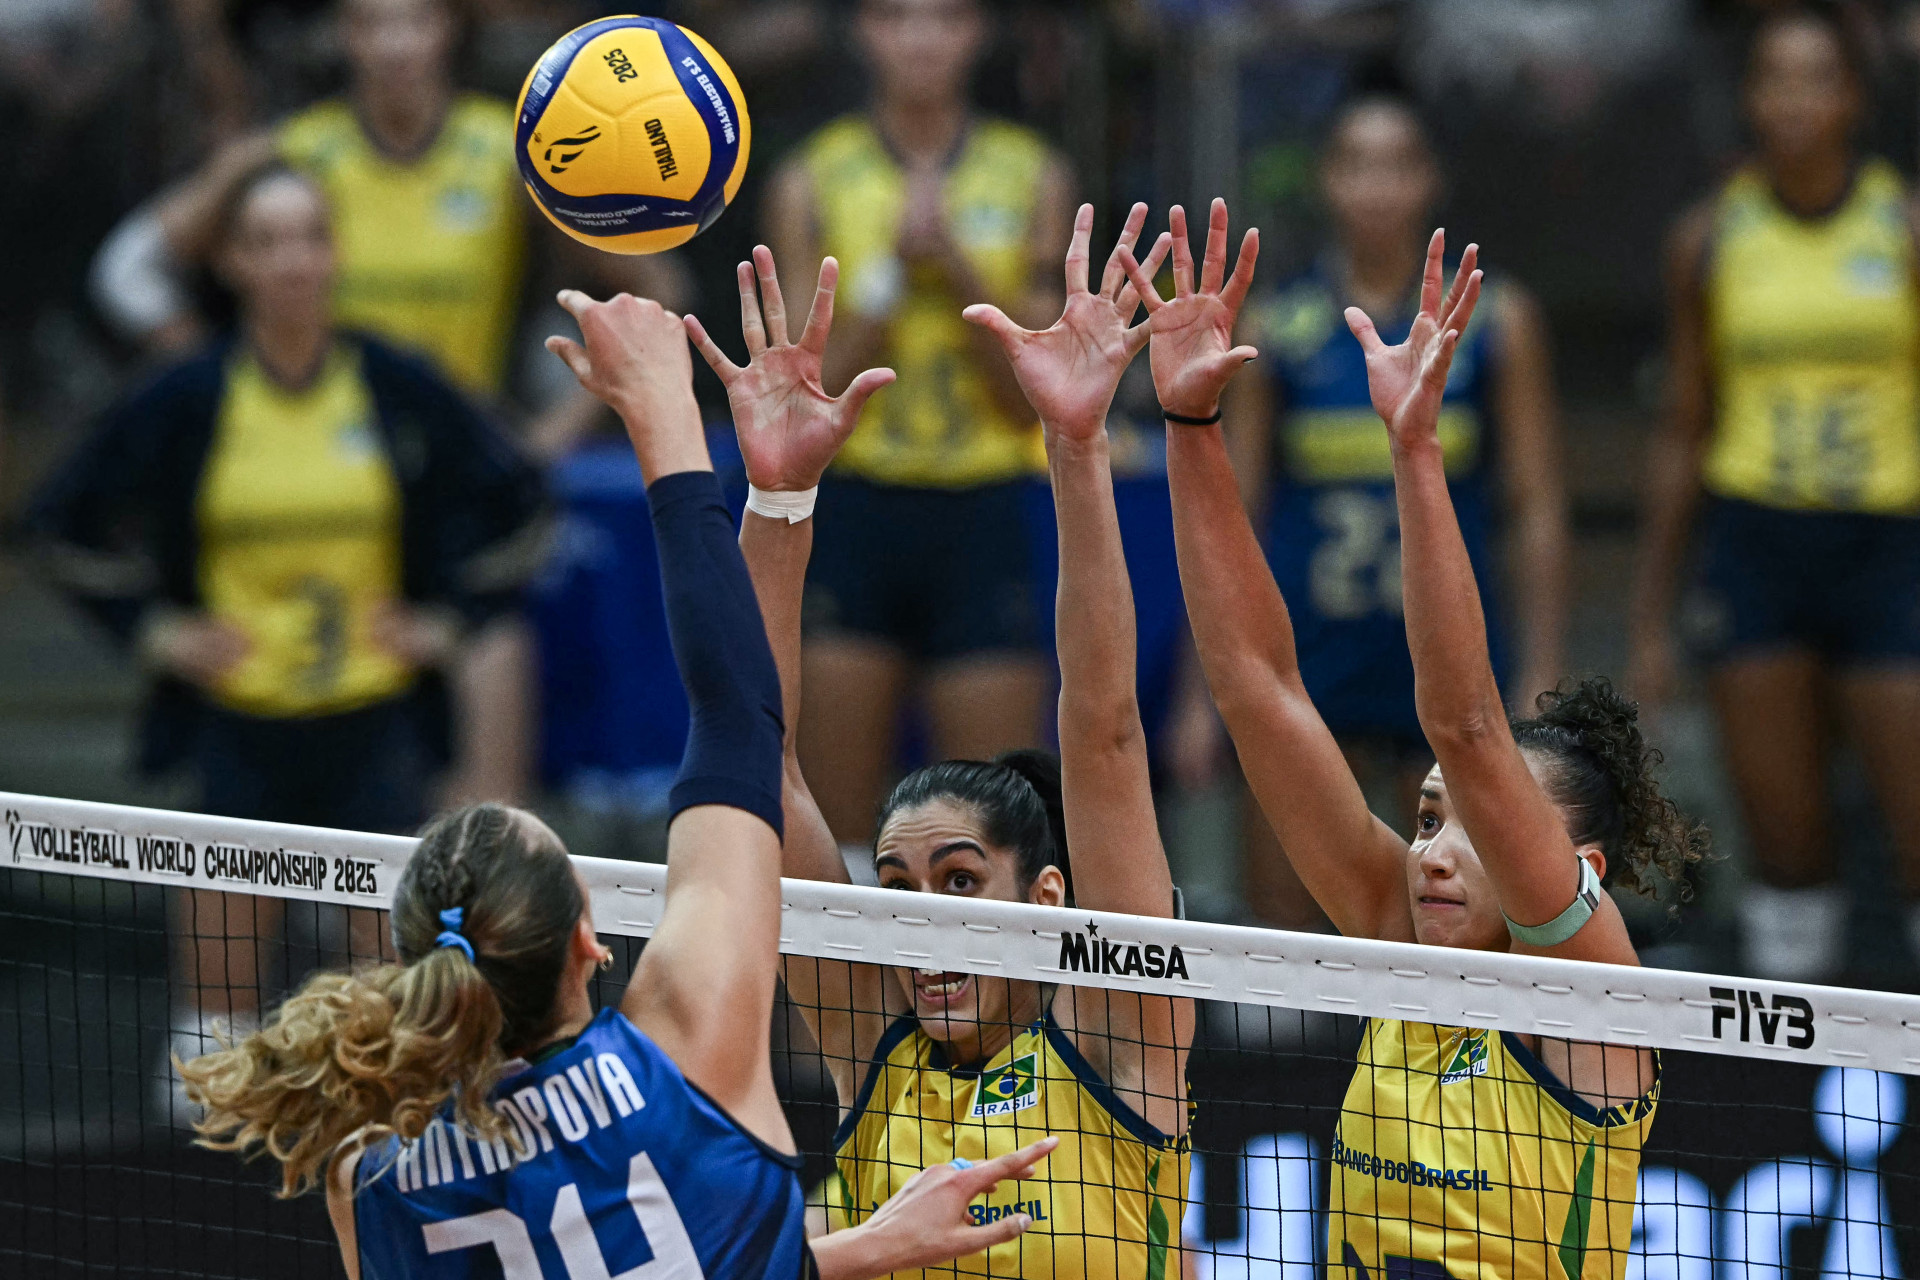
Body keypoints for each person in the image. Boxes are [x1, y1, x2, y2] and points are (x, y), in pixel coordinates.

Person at [175, 277, 1054, 1280]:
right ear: (590, 942)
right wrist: (675, 422)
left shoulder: (365, 1176)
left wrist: (848, 1251)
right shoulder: (686, 1043)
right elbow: (738, 715)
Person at [1120, 207, 1705, 1277]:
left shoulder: (1589, 993)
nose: (1432, 850)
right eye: (1431, 818)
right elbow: (1258, 689)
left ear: (1580, 870)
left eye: (1476, 827)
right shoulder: (1400, 934)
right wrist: (1191, 425)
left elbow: (1468, 728)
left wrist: (1416, 451)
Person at [686, 211, 1190, 1277]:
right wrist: (778, 497)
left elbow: (1104, 729)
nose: (923, 918)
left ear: (1045, 898)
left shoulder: (1119, 1034)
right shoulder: (873, 1036)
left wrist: (1076, 445)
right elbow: (755, 762)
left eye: (959, 881)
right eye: (900, 885)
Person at [29, 164, 544, 1104]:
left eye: (309, 237)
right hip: (238, 728)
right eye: (266, 242)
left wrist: (445, 622)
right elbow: (58, 522)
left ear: (335, 253)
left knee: (389, 1041)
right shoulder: (188, 394)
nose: (293, 261)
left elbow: (521, 499)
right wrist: (157, 633)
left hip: (375, 726)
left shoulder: (392, 382)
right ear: (232, 263)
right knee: (210, 1051)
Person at [1165, 93, 1570, 933]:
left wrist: (1541, 669)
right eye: (1356, 165)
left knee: (1448, 927)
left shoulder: (1497, 319)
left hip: (1449, 661)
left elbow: (1535, 508)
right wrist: (1200, 695)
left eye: (1398, 165)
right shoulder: (1279, 325)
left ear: (1430, 179)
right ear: (1327, 180)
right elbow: (1231, 516)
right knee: (1286, 928)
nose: (1377, 188)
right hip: (1309, 659)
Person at [1630, 3, 1920, 984]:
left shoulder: (1904, 227)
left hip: (1889, 547)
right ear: (1750, 98)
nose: (1795, 99)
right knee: (1786, 840)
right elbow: (1684, 424)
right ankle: (1792, 1060)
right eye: (1776, 78)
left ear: (1853, 98)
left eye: (1817, 77)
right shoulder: (1709, 238)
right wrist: (1649, 619)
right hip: (1756, 545)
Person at [764, 0, 1076, 846]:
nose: (922, 39)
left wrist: (961, 269)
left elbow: (1033, 394)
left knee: (995, 826)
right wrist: (892, 278)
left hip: (981, 506)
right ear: (864, 32)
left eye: (945, 18)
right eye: (897, 17)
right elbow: (804, 388)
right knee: (836, 833)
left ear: (978, 32)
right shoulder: (813, 177)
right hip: (856, 504)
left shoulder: (1031, 173)